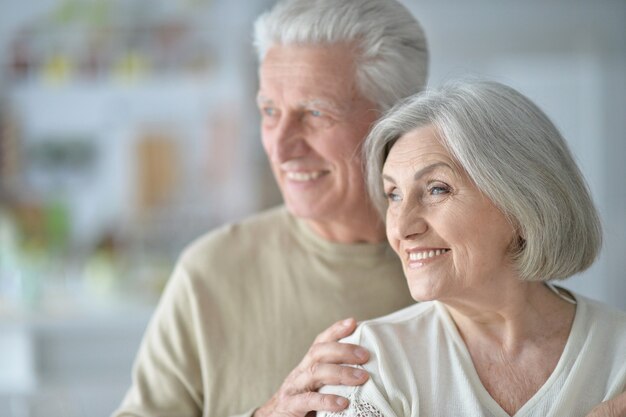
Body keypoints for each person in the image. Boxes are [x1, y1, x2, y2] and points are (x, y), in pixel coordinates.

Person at [112, 1, 428, 416]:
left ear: (396, 119)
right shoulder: (210, 273)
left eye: (315, 112)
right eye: (269, 112)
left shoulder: (462, 269)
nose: (279, 148)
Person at [318, 80, 626, 417]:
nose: (402, 228)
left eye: (437, 189)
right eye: (394, 194)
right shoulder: (369, 359)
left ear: (523, 204)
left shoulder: (618, 349)